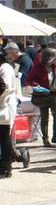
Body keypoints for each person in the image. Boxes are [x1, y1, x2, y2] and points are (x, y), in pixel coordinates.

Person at [26, 45, 56, 146]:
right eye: (55, 56)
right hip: (42, 95)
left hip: (53, 94)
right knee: (45, 117)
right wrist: (36, 85)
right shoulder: (38, 67)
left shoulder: (54, 66)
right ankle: (45, 139)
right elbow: (28, 80)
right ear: (48, 57)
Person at [0, 42, 21, 179]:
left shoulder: (5, 68)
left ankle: (6, 167)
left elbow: (5, 87)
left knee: (4, 137)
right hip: (3, 105)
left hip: (5, 106)